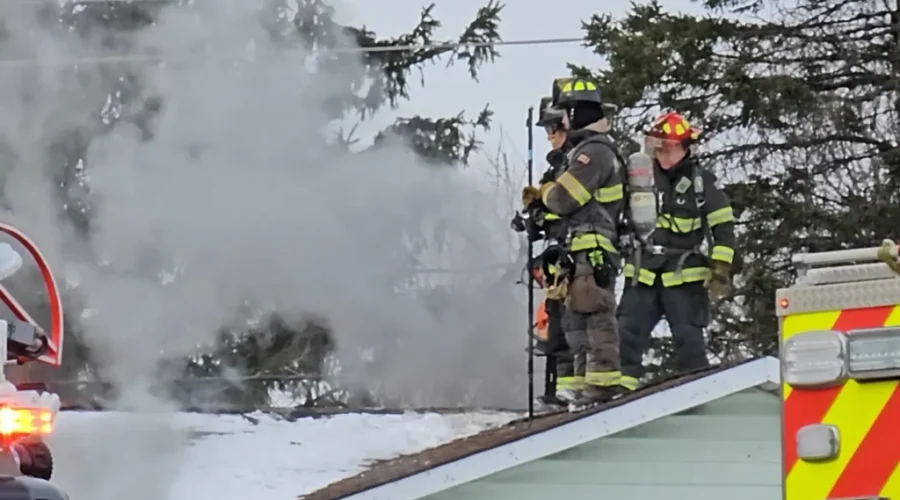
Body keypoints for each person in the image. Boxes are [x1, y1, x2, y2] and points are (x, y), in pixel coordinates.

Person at [522, 78, 631, 403]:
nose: (561, 125)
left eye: (564, 116)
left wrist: (545, 193)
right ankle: (588, 388)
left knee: (595, 320)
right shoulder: (588, 150)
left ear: (575, 113)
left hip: (592, 250)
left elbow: (563, 199)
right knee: (579, 322)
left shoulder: (594, 152)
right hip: (583, 252)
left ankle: (601, 386)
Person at [617, 112, 736, 390]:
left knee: (690, 342)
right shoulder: (639, 179)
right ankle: (618, 400)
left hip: (684, 277)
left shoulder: (702, 183)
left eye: (672, 147)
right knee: (625, 339)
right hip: (643, 273)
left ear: (686, 148)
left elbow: (722, 227)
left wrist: (720, 269)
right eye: (661, 146)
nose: (665, 153)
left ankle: (699, 396)